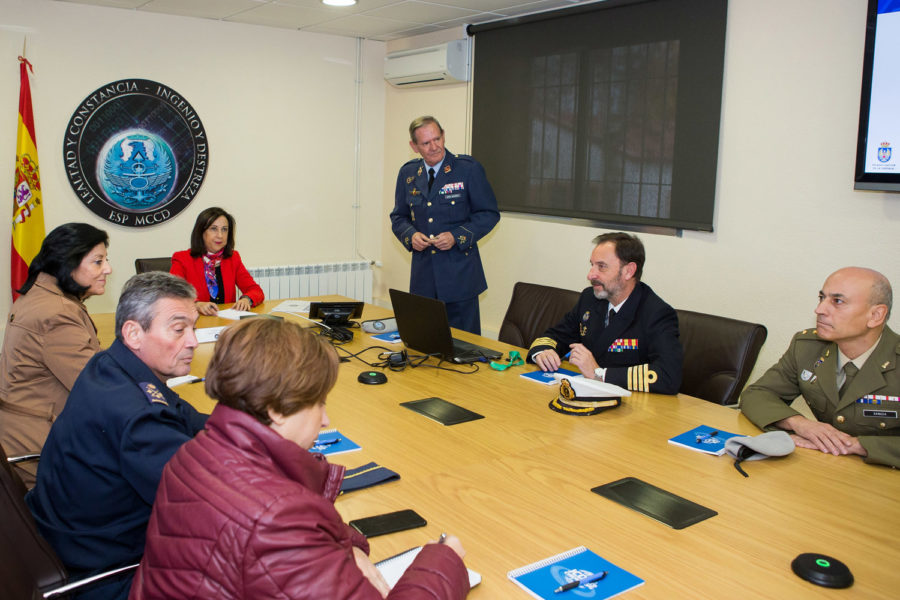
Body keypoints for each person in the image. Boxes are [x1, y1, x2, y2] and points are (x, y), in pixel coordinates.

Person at [129, 317, 470, 600]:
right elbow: (280, 529)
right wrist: (443, 562)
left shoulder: (200, 450)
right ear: (276, 410)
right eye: (318, 402)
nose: (325, 420)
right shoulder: (277, 520)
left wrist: (346, 549)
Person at [26, 272, 208, 600]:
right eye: (180, 329)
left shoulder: (111, 366)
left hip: (66, 537)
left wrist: (256, 427)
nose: (193, 341)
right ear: (133, 333)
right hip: (106, 574)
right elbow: (209, 503)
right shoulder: (136, 415)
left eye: (193, 328)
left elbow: (188, 419)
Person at [741, 267, 899, 468]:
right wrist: (800, 424)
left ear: (876, 315)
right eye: (821, 297)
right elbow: (758, 394)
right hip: (824, 468)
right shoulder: (808, 346)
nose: (820, 310)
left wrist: (857, 445)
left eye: (837, 301)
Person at [0, 222, 111, 487]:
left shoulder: (41, 294)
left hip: (24, 431)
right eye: (98, 262)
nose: (107, 269)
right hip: (41, 450)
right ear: (68, 263)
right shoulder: (57, 313)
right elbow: (101, 389)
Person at [529, 232, 683, 394]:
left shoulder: (656, 313)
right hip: (586, 396)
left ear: (629, 271)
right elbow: (557, 335)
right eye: (592, 265)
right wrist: (544, 353)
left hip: (631, 407)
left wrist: (600, 374)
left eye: (601, 266)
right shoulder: (590, 298)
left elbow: (668, 376)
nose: (590, 275)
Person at [390, 116, 499, 335]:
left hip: (460, 277)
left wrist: (456, 236)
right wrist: (411, 235)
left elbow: (488, 214)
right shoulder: (408, 173)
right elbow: (399, 217)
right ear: (414, 146)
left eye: (437, 139)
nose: (434, 147)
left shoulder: (467, 169)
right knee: (425, 344)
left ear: (443, 135)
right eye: (426, 143)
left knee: (464, 348)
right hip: (424, 279)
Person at [170, 206, 264, 316]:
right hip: (197, 323)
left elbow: (255, 290)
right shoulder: (182, 259)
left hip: (226, 324)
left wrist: (247, 299)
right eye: (213, 229)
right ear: (201, 232)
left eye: (224, 229)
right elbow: (171, 294)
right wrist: (196, 304)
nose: (220, 235)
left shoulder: (233, 258)